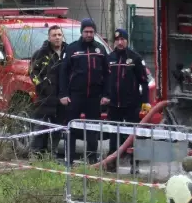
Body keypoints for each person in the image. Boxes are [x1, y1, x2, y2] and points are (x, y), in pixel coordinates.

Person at [57, 18, 109, 165]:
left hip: (94, 96)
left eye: (91, 32)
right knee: (71, 127)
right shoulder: (72, 49)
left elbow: (107, 74)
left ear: (95, 32)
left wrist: (106, 94)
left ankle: (92, 159)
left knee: (93, 129)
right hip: (75, 95)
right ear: (81, 32)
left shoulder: (100, 49)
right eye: (86, 31)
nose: (89, 34)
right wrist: (63, 94)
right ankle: (69, 159)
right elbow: (63, 73)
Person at [104, 28, 150, 164]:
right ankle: (112, 160)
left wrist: (145, 102)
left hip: (131, 104)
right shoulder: (109, 58)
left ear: (127, 41)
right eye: (117, 40)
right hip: (114, 104)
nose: (120, 42)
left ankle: (134, 160)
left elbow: (144, 82)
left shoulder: (135, 58)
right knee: (113, 133)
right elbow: (105, 80)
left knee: (133, 133)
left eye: (122, 39)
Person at [28, 24, 66, 157]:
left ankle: (51, 154)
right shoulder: (41, 54)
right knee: (41, 127)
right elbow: (33, 74)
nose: (57, 38)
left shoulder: (68, 53)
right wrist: (43, 86)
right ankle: (36, 153)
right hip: (44, 98)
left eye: (59, 35)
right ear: (49, 38)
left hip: (61, 98)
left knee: (57, 129)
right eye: (54, 35)